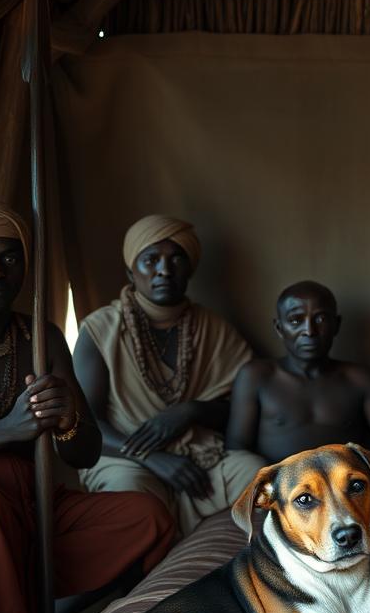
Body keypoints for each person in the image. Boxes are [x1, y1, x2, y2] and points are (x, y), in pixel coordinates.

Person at [0, 200, 175, 613]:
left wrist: (69, 418)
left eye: (10, 257)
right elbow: (12, 433)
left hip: (39, 500)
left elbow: (85, 453)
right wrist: (7, 430)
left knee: (149, 518)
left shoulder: (38, 335)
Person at [74, 215, 265, 536]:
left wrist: (190, 411)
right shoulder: (100, 329)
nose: (164, 269)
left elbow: (244, 408)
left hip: (201, 457)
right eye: (151, 260)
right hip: (125, 457)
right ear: (130, 272)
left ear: (190, 269)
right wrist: (150, 455)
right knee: (130, 494)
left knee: (256, 474)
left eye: (177, 258)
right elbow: (84, 424)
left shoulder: (213, 328)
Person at [225, 280, 370, 536]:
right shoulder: (258, 377)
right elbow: (237, 448)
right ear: (279, 327)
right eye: (296, 320)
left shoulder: (358, 379)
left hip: (346, 492)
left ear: (336, 325)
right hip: (287, 495)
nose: (309, 330)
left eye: (320, 320)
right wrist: (277, 492)